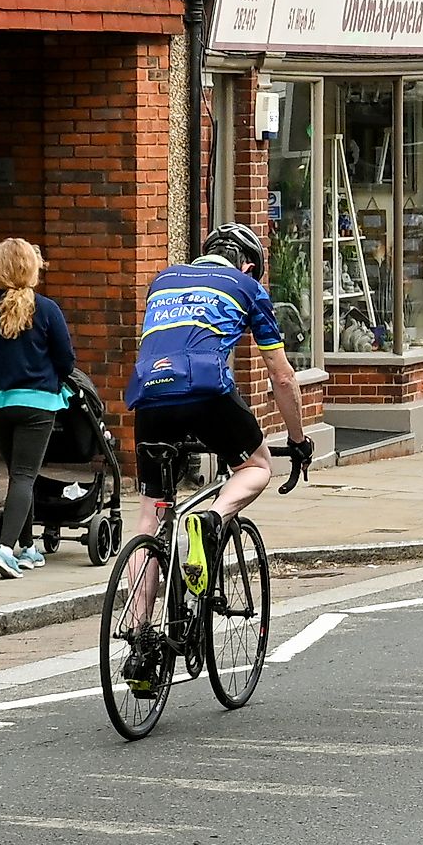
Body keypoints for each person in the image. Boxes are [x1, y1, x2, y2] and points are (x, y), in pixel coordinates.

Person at [121, 222, 313, 690]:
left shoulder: (163, 280)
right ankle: (209, 520)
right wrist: (298, 438)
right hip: (205, 391)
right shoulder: (246, 287)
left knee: (150, 515)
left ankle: (141, 640)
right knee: (256, 466)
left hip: (148, 397)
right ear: (248, 265)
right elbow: (282, 376)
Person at [0, 239, 76, 579]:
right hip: (37, 403)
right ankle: (5, 549)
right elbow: (66, 362)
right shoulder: (46, 308)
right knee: (25, 476)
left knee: (17, 475)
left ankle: (28, 547)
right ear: (33, 267)